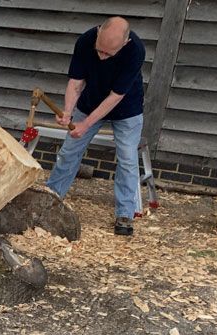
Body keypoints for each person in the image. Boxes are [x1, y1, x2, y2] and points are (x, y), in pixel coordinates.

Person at [45, 17, 145, 236]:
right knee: (69, 151)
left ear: (125, 43)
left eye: (108, 54)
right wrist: (68, 112)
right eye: (99, 50)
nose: (101, 57)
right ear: (98, 32)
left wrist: (86, 124)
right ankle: (49, 200)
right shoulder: (85, 41)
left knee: (128, 158)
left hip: (126, 109)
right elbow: (76, 81)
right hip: (89, 102)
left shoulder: (135, 50)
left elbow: (116, 96)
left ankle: (125, 213)